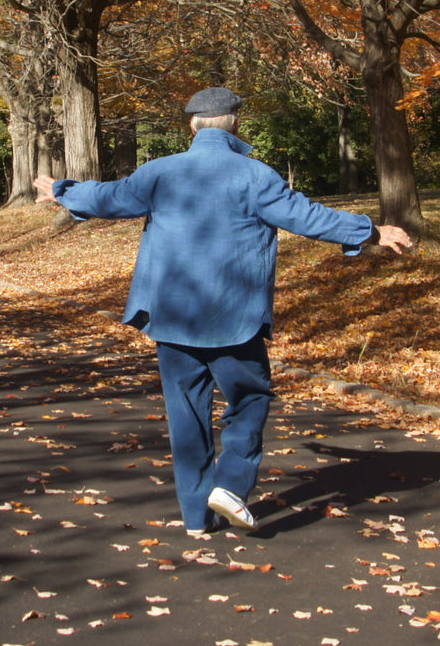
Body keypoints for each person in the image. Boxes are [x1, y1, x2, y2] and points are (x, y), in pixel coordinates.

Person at [34, 87, 412, 536]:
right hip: (235, 319)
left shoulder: (159, 173)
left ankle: (197, 518)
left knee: (187, 418)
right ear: (235, 124)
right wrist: (370, 231)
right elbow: (308, 217)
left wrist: (62, 191)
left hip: (172, 319)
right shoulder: (257, 176)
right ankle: (231, 486)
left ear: (192, 125)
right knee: (250, 399)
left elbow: (106, 198)